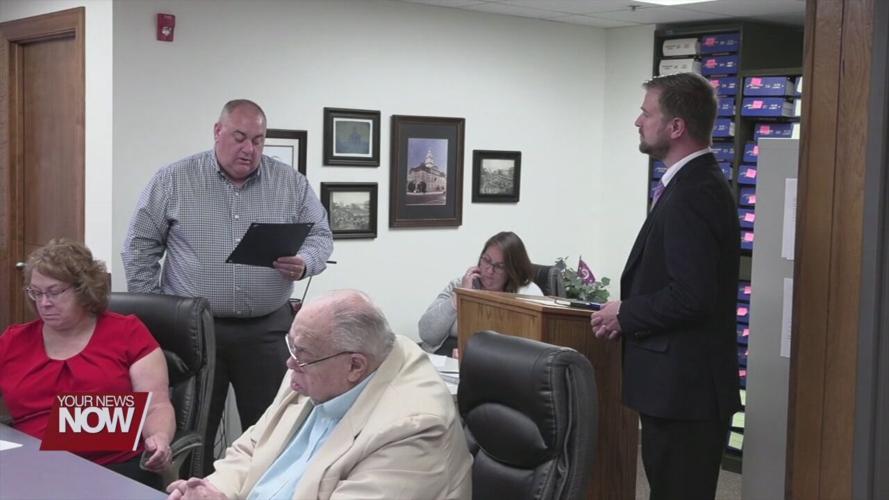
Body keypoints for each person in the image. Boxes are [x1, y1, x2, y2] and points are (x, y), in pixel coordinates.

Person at [121, 99, 334, 474]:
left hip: (267, 328)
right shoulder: (174, 179)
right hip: (194, 330)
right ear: (217, 132)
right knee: (194, 427)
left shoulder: (290, 183)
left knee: (273, 427)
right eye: (239, 137)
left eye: (258, 140)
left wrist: (306, 264)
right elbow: (139, 246)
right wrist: (157, 311)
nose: (249, 149)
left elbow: (320, 235)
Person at [590, 73, 741, 500]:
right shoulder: (690, 185)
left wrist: (627, 313)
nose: (637, 121)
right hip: (677, 391)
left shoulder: (695, 191)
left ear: (676, 127)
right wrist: (627, 308)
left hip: (687, 395)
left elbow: (692, 297)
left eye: (646, 112)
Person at [166, 289, 472, 500]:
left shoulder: (412, 425)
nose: (289, 363)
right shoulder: (316, 366)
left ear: (355, 365)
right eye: (292, 347)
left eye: (301, 354)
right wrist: (215, 489)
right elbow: (254, 444)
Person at [0, 239, 175, 489]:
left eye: (54, 292)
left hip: (113, 468)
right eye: (36, 293)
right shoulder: (13, 341)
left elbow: (156, 406)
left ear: (84, 290)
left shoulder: (127, 332)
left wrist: (159, 438)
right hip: (33, 468)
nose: (44, 303)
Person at [419, 231, 543, 355]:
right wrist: (460, 296)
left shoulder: (527, 294)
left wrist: (475, 356)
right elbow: (427, 334)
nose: (489, 270)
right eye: (486, 260)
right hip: (445, 358)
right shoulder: (460, 284)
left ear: (513, 270)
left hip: (495, 363)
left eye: (499, 266)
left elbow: (531, 350)